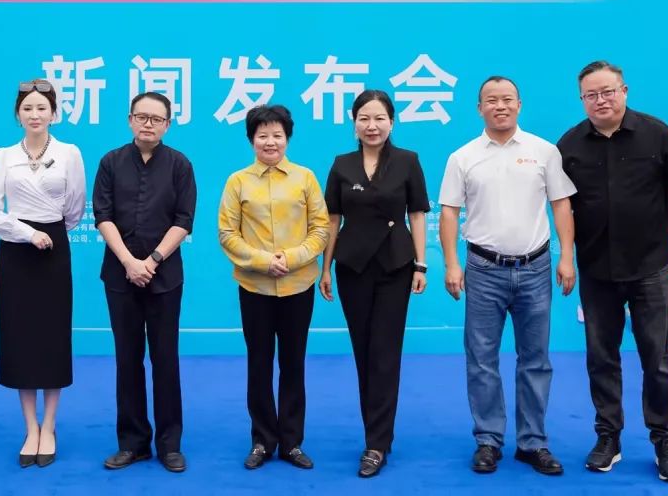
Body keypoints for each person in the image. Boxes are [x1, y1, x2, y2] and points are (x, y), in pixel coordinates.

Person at [556, 61, 668, 483]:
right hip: (596, 267)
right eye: (591, 95)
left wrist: (643, 219)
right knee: (601, 358)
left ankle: (664, 439)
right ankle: (608, 437)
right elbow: (563, 205)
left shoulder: (657, 134)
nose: (600, 101)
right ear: (582, 99)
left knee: (658, 359)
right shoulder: (569, 145)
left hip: (648, 266)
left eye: (608, 92)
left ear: (624, 91)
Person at [439, 76, 577, 476]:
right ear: (479, 108)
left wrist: (567, 257)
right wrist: (451, 264)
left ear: (519, 104)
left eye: (507, 99)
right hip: (483, 270)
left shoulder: (543, 151)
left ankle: (533, 442)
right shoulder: (462, 157)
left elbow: (561, 205)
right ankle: (488, 440)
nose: (500, 106)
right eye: (491, 100)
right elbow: (449, 211)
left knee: (535, 358)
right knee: (481, 358)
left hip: (535, 268)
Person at [318, 89, 429, 478]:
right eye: (364, 118)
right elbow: (332, 220)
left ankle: (377, 443)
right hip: (352, 267)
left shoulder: (407, 161)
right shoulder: (341, 164)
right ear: (354, 123)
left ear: (391, 122)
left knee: (385, 352)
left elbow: (417, 214)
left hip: (395, 265)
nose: (372, 125)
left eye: (380, 118)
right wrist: (325, 268)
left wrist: (421, 265)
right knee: (363, 352)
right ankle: (375, 432)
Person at [0, 79, 85, 468]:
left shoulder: (69, 153)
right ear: (17, 114)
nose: (35, 114)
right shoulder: (4, 155)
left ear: (54, 113)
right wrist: (28, 233)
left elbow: (74, 208)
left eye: (42, 108)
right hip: (16, 250)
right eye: (28, 108)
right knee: (20, 338)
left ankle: (50, 426)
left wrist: (50, 233)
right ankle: (30, 428)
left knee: (52, 338)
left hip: (54, 250)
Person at [218, 105, 329, 471]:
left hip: (298, 285)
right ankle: (263, 440)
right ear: (252, 139)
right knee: (259, 363)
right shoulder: (237, 182)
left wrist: (292, 257)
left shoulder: (305, 178)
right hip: (255, 287)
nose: (270, 142)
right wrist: (263, 260)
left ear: (287, 138)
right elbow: (227, 234)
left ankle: (292, 442)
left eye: (277, 135)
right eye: (262, 135)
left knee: (293, 363)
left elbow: (321, 229)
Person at [93, 92, 196, 474]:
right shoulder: (111, 162)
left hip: (164, 277)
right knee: (127, 359)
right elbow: (102, 215)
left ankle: (169, 445)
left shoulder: (180, 164)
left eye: (156, 118)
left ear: (168, 124)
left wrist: (151, 260)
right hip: (120, 275)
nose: (148, 123)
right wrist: (128, 261)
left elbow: (184, 220)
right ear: (130, 120)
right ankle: (133, 443)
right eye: (141, 116)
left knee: (165, 359)